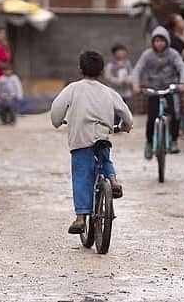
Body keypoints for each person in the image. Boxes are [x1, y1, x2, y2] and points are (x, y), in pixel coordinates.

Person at [50, 51, 133, 235]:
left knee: (82, 175)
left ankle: (81, 218)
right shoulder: (108, 92)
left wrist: (57, 122)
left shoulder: (73, 89)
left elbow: (56, 110)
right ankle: (113, 180)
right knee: (105, 158)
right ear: (102, 71)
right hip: (103, 135)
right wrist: (124, 126)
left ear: (80, 69)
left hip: (81, 139)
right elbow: (126, 114)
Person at [131, 26, 184, 159]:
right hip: (153, 90)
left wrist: (183, 83)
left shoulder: (173, 54)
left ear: (167, 41)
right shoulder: (147, 55)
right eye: (156, 41)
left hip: (170, 88)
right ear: (153, 42)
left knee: (174, 115)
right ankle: (149, 144)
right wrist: (136, 86)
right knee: (151, 118)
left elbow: (182, 67)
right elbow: (137, 70)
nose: (159, 43)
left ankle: (174, 141)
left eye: (162, 41)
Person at [104, 43, 133, 108]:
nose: (122, 53)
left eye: (123, 51)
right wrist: (118, 81)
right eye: (119, 51)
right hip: (114, 91)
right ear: (115, 53)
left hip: (125, 91)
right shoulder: (111, 64)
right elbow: (108, 77)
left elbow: (132, 74)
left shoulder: (127, 63)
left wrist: (128, 80)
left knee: (124, 107)